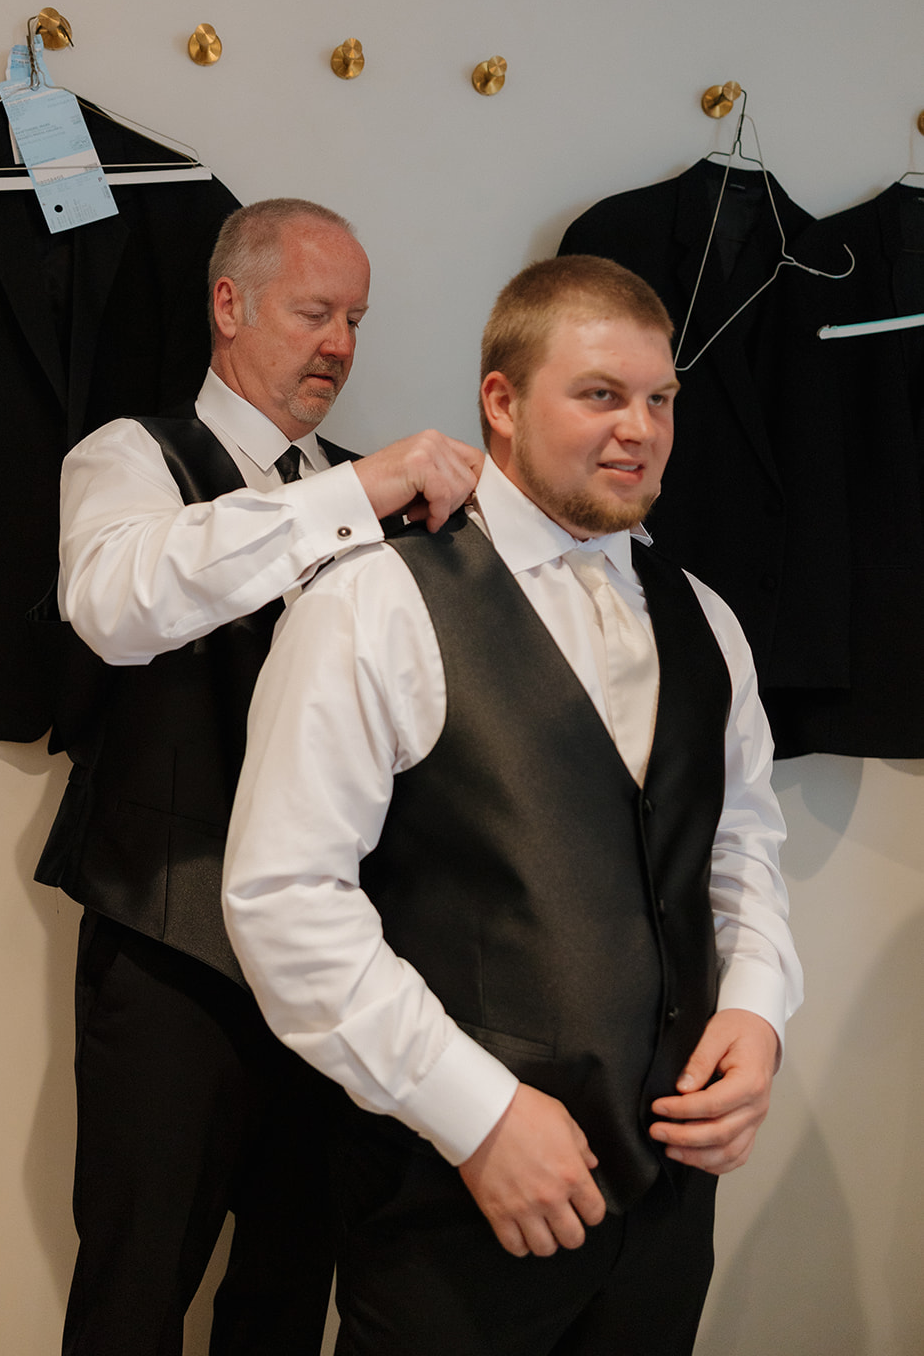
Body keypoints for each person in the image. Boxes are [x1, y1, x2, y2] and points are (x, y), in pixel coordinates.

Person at [223, 253, 804, 1356]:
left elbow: (738, 848)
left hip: (668, 1207)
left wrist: (758, 1007)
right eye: (599, 394)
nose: (639, 428)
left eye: (659, 399)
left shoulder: (708, 622)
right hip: (448, 1202)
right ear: (499, 400)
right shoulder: (374, 601)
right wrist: (475, 1114)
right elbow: (284, 898)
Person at [35, 197, 484, 1356]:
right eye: (314, 311)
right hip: (167, 947)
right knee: (135, 1285)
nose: (339, 343)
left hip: (334, 968)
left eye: (356, 320)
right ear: (229, 306)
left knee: (290, 1290)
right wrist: (351, 494)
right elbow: (117, 606)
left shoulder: (376, 494)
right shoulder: (132, 454)